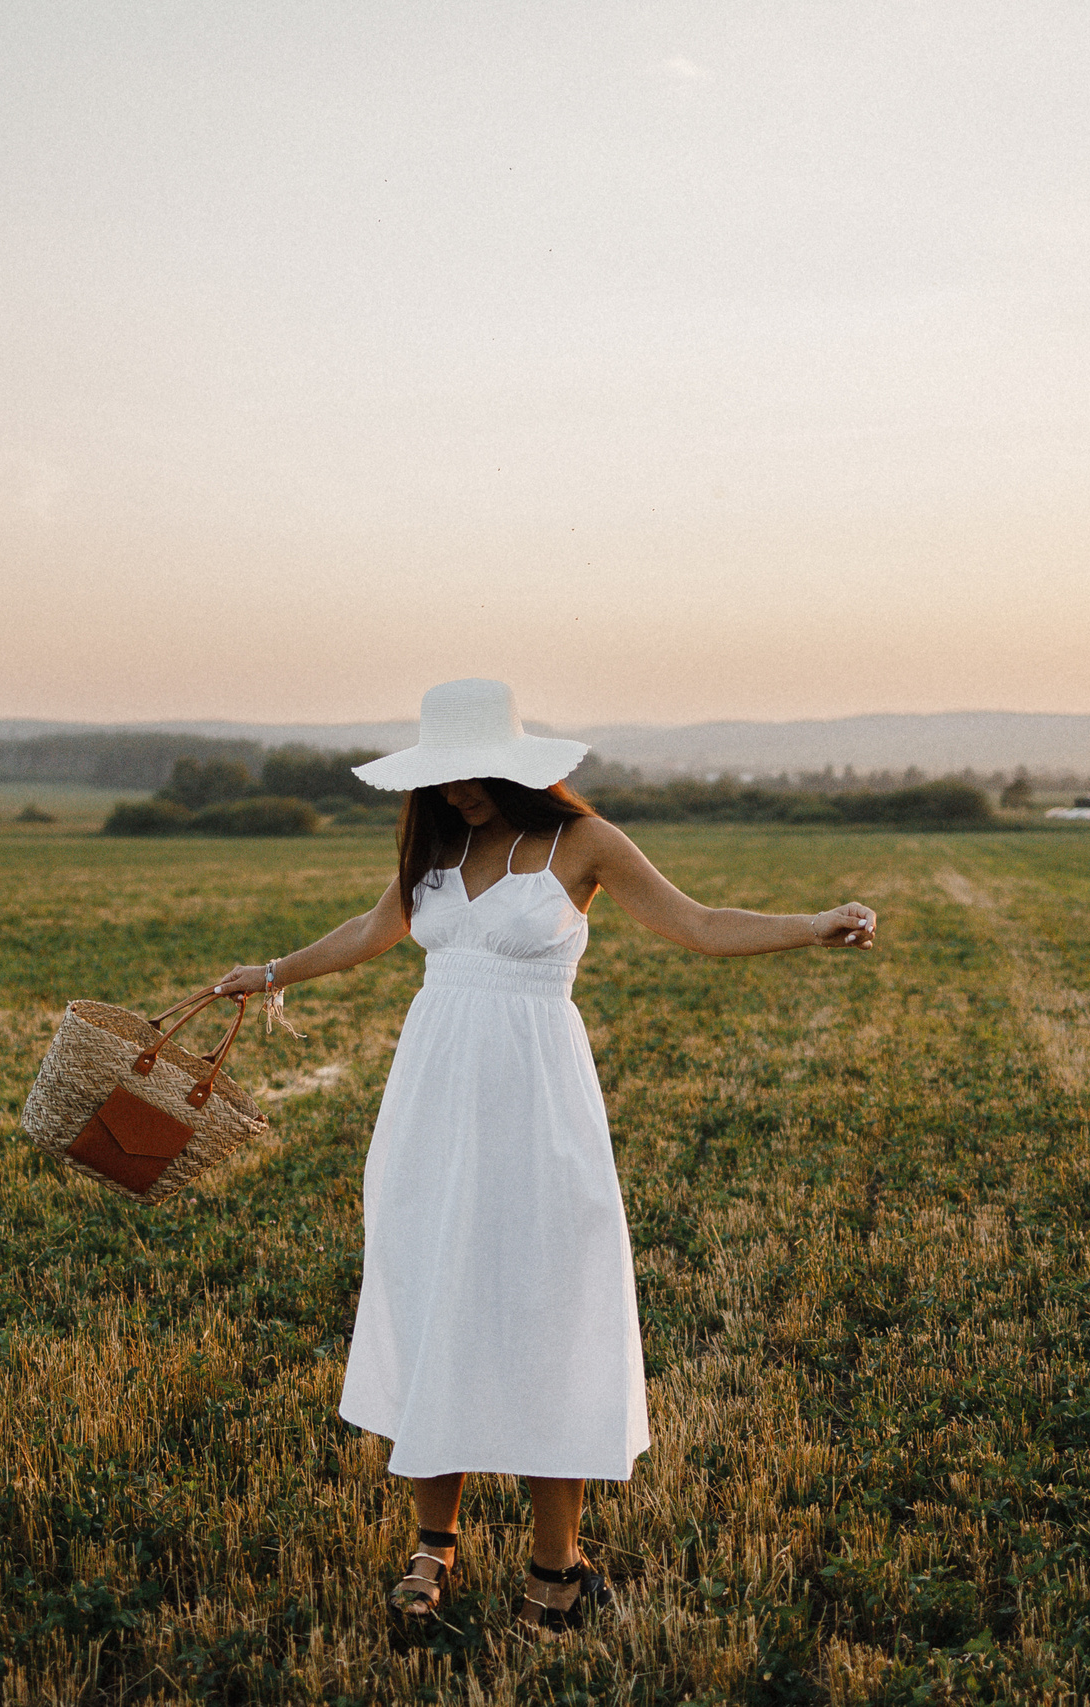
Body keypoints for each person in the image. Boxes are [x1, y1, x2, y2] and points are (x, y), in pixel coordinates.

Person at [209, 678, 876, 1632]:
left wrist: (812, 925)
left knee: (546, 1310)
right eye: (439, 779)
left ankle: (555, 1567)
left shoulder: (586, 844)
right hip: (433, 1104)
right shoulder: (436, 842)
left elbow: (697, 925)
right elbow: (374, 930)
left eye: (468, 777)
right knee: (438, 1300)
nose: (453, 794)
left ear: (514, 769)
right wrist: (268, 975)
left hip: (538, 1106)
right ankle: (431, 1546)